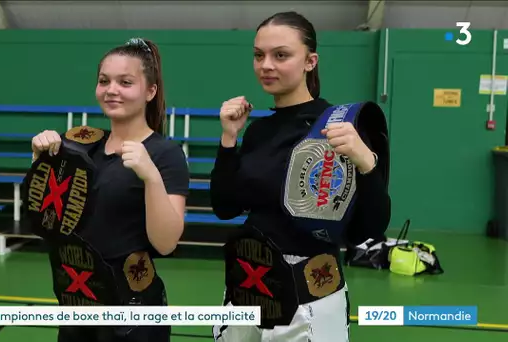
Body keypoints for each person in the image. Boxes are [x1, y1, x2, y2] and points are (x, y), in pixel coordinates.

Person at [210, 11, 391, 342]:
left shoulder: (338, 127)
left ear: (310, 61)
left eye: (281, 55)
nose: (266, 65)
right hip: (246, 286)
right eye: (258, 55)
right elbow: (225, 207)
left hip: (310, 297)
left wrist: (367, 163)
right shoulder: (258, 130)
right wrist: (228, 139)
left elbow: (369, 228)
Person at [26, 38, 190, 342]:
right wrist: (41, 165)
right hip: (78, 303)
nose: (111, 90)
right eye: (104, 81)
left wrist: (151, 177)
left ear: (150, 91)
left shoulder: (165, 153)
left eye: (125, 82)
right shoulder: (76, 146)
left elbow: (166, 243)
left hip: (134, 313)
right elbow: (48, 223)